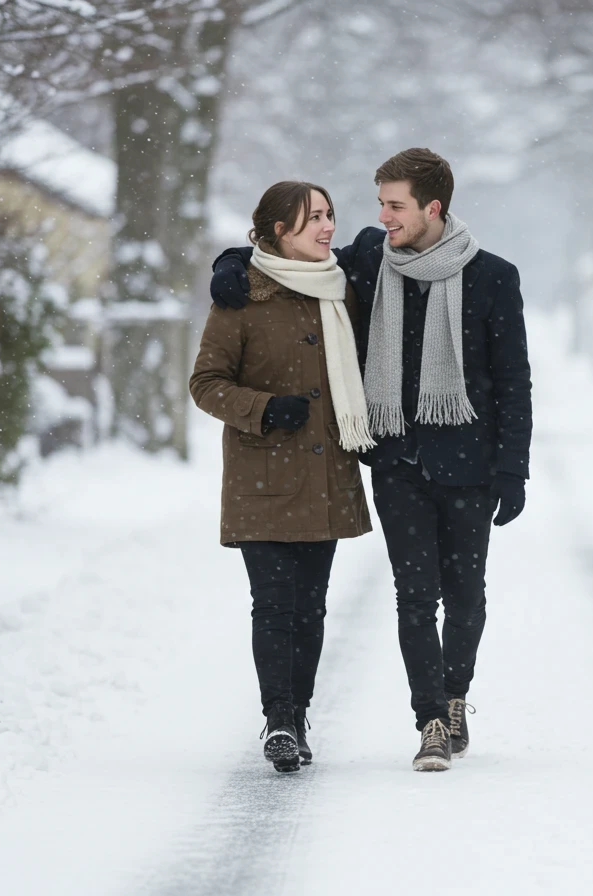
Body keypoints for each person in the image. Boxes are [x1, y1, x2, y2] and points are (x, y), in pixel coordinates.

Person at [209, 148, 533, 772]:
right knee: (414, 596)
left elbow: (514, 381)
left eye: (394, 205)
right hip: (397, 460)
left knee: (466, 595)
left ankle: (456, 694)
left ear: (432, 208)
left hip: (468, 459)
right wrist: (226, 264)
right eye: (379, 203)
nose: (381, 216)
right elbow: (284, 259)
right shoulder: (371, 263)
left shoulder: (493, 277)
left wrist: (511, 468)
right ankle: (430, 720)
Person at [189, 181, 374, 773]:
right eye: (311, 219)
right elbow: (206, 383)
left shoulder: (345, 287)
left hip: (325, 475)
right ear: (277, 232)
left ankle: (297, 713)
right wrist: (263, 409)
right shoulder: (240, 297)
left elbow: (387, 253)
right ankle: (280, 719)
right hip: (263, 476)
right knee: (273, 603)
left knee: (311, 607)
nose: (326, 228)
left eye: (329, 215)